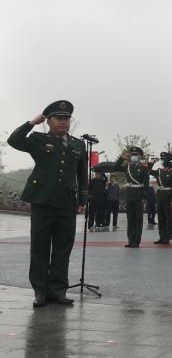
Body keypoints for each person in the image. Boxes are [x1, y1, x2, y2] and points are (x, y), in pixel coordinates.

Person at [8, 100, 88, 307]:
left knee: (63, 248)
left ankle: (58, 291)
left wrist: (83, 200)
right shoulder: (38, 139)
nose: (63, 122)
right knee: (40, 248)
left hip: (67, 203)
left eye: (66, 119)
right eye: (58, 119)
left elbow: (82, 175)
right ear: (49, 121)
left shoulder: (78, 145)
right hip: (42, 200)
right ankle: (40, 292)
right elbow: (14, 140)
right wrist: (32, 122)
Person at [115, 146, 149, 248]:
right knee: (130, 219)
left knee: (138, 219)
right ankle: (130, 240)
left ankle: (136, 241)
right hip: (129, 195)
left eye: (135, 155)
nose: (133, 156)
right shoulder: (127, 167)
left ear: (139, 156)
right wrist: (122, 158)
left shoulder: (144, 168)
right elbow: (116, 167)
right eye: (132, 155)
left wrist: (144, 197)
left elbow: (146, 184)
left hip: (138, 195)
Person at [149, 152, 172, 244]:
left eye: (164, 159)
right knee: (161, 217)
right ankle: (162, 236)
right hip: (160, 195)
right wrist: (153, 162)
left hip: (168, 195)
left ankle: (167, 237)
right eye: (161, 159)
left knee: (168, 216)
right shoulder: (159, 171)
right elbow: (148, 169)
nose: (162, 161)